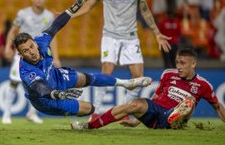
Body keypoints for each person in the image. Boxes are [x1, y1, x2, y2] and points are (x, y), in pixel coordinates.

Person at [14, 0, 152, 117]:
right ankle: (74, 114)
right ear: (20, 55)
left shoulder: (42, 41)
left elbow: (56, 25)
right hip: (46, 100)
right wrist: (59, 94)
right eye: (26, 51)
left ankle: (126, 83)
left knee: (87, 78)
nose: (31, 52)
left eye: (31, 46)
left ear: (35, 43)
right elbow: (41, 88)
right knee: (90, 109)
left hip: (57, 77)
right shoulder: (27, 71)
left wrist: (77, 5)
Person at [72, 0, 171, 115]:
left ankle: (122, 111)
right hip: (110, 36)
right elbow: (89, 5)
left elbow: (145, 11)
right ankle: (95, 113)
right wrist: (71, 14)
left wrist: (157, 33)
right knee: (106, 72)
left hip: (131, 38)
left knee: (138, 79)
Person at [71, 48, 225, 130]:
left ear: (193, 64)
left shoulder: (203, 85)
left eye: (182, 63)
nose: (178, 67)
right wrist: (137, 120)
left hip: (173, 116)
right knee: (134, 104)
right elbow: (155, 98)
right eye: (177, 62)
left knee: (189, 101)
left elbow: (218, 107)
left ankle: (174, 119)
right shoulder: (168, 74)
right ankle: (91, 125)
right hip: (157, 110)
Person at [2, 0, 61, 124]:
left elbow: (53, 38)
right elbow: (13, 30)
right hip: (22, 55)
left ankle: (31, 113)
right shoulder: (23, 14)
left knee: (38, 84)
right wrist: (7, 47)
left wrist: (56, 57)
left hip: (39, 57)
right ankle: (6, 114)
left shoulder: (49, 16)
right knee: (14, 82)